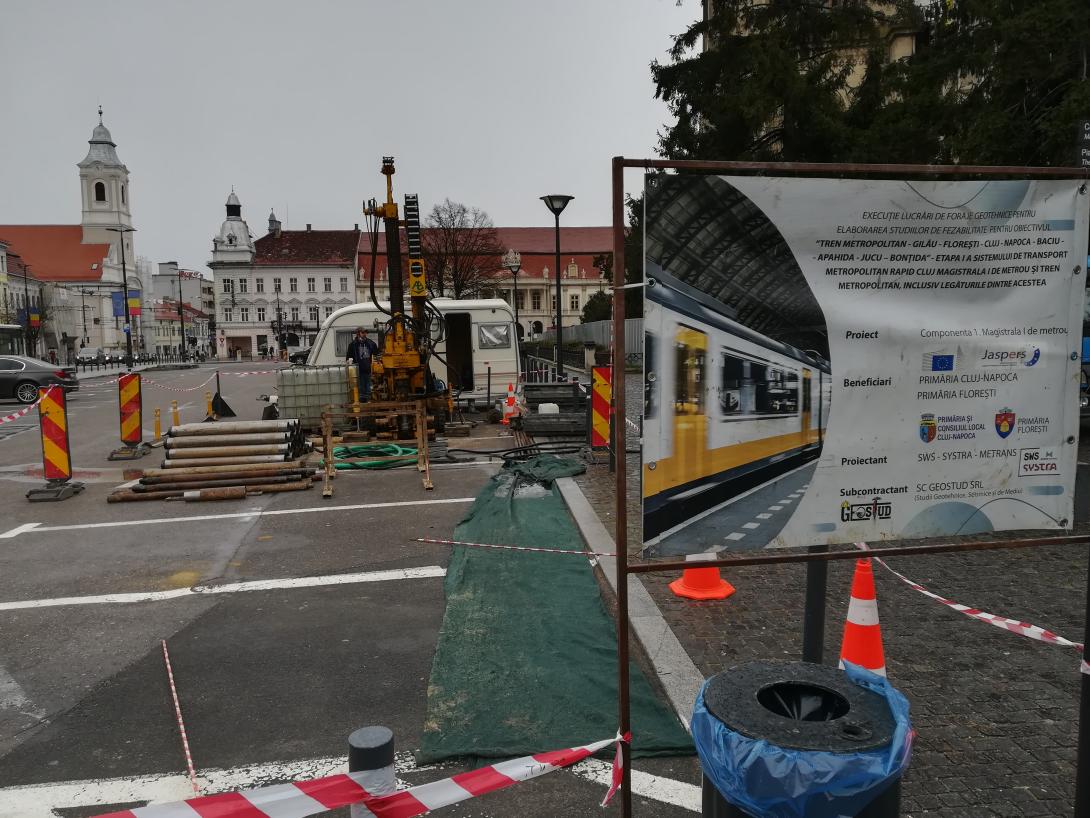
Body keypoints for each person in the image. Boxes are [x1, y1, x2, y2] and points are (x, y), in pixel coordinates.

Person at [346, 327, 379, 402]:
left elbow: (377, 353)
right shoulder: (353, 345)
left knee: (368, 387)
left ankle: (368, 400)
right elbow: (348, 357)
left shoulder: (370, 343)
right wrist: (350, 364)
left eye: (365, 333)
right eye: (363, 332)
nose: (365, 334)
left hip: (368, 369)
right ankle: (361, 401)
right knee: (360, 387)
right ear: (358, 333)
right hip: (358, 370)